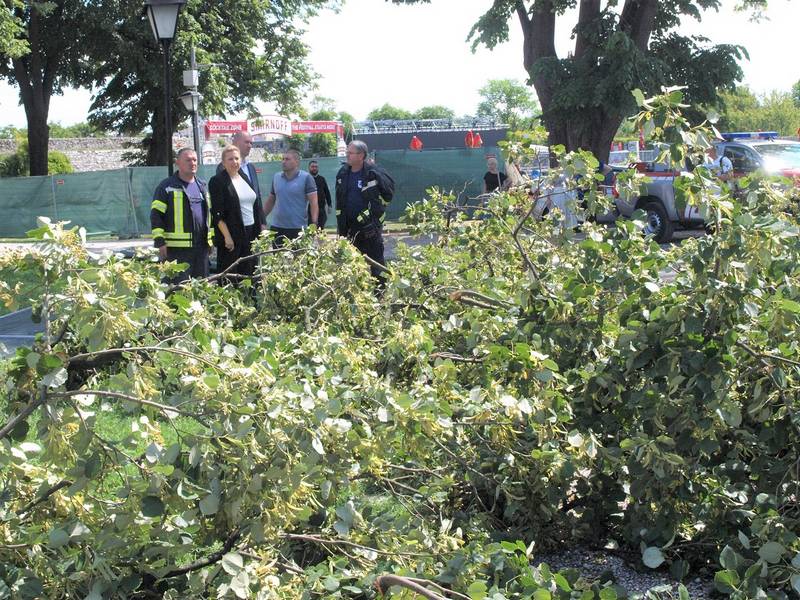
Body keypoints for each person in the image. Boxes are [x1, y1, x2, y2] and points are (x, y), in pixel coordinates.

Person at [335, 140, 394, 284]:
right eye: (347, 152)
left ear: (361, 155)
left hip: (370, 228)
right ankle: (359, 296)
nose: (347, 155)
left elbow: (387, 196)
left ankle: (381, 295)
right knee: (352, 265)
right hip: (349, 228)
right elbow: (340, 200)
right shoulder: (343, 173)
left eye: (350, 153)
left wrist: (375, 221)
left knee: (376, 264)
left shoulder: (373, 173)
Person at [150, 147, 213, 283]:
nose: (192, 163)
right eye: (188, 160)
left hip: (201, 248)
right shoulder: (166, 187)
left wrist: (210, 241)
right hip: (176, 250)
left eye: (195, 160)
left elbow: (209, 216)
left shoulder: (202, 186)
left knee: (201, 288)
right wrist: (160, 242)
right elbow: (156, 216)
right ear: (177, 163)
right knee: (179, 290)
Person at [209, 145, 266, 281]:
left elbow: (255, 204)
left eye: (236, 158)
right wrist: (227, 237)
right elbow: (217, 214)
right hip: (232, 235)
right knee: (231, 275)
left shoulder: (244, 177)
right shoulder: (217, 181)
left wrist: (261, 226)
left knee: (250, 273)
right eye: (230, 159)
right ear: (223, 163)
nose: (234, 162)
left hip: (251, 232)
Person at [264, 149, 317, 246]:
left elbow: (314, 203)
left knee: (298, 260)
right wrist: (261, 218)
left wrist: (314, 224)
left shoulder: (307, 178)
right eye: (283, 159)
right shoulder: (276, 177)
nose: (284, 162)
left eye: (287, 159)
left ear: (296, 162)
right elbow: (271, 200)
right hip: (277, 228)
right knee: (278, 260)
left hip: (298, 229)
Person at [217, 131, 262, 206]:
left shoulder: (251, 168)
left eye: (251, 143)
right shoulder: (224, 167)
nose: (250, 146)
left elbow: (258, 198)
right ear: (236, 143)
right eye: (247, 142)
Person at [308, 160, 332, 229]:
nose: (314, 168)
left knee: (321, 228)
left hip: (321, 208)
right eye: (312, 167)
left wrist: (329, 205)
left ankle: (320, 240)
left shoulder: (322, 179)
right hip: (309, 209)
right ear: (309, 168)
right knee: (311, 229)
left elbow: (327, 192)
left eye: (316, 167)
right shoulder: (306, 179)